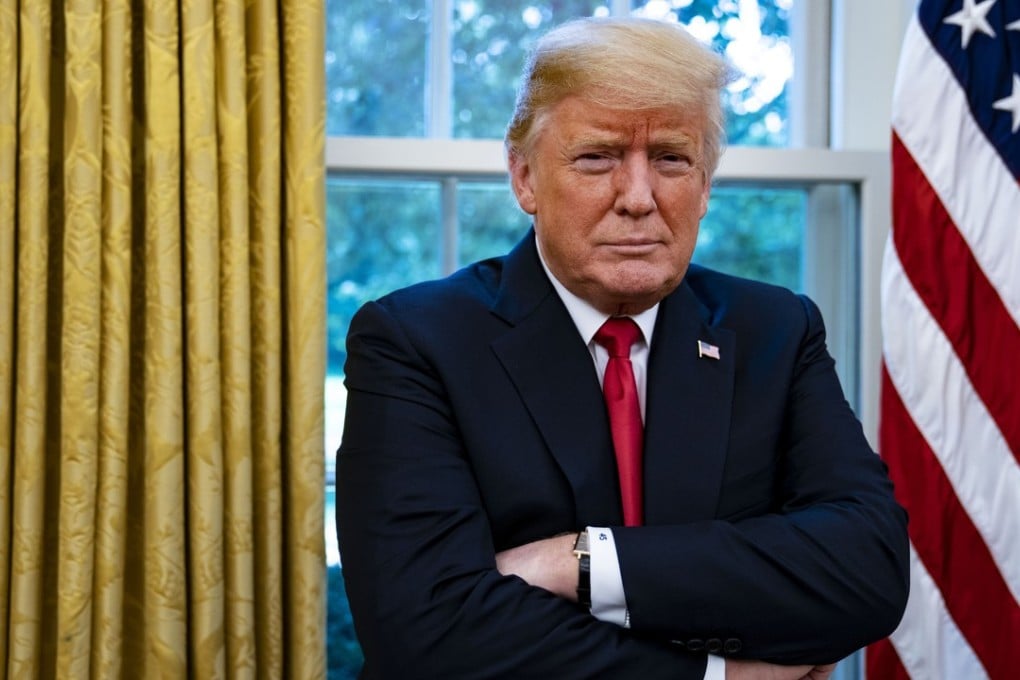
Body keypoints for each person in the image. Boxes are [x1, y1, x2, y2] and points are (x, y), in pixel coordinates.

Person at [336, 16, 909, 680]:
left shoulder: (774, 330)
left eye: (671, 157)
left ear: (705, 185)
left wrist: (579, 562)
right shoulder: (416, 341)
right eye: (597, 157)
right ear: (524, 177)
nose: (638, 198)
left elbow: (868, 571)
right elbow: (426, 631)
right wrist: (718, 677)